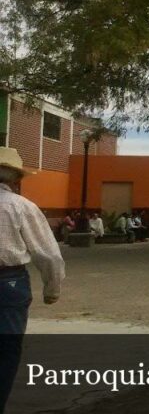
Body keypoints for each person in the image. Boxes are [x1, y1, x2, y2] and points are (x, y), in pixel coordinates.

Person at [0, 147, 65, 410]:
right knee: (6, 352)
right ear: (16, 179)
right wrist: (52, 289)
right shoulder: (22, 207)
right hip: (9, 283)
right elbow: (48, 254)